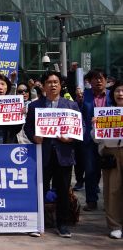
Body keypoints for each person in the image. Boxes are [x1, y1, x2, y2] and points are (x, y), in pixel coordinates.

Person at [24, 71, 81, 238]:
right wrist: (34, 137)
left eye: (56, 82)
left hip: (63, 154)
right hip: (43, 153)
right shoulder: (34, 106)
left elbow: (81, 127)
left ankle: (62, 224)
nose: (53, 85)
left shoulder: (71, 106)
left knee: (63, 190)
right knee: (40, 189)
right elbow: (28, 127)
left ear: (61, 84)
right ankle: (37, 223)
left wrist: (70, 138)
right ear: (43, 85)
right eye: (49, 82)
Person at [92, 80, 123, 239]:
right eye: (118, 91)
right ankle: (115, 225)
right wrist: (95, 127)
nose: (121, 94)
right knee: (112, 190)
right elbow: (96, 139)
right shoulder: (106, 113)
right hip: (111, 153)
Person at [81, 69, 110, 211]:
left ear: (106, 80)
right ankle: (91, 201)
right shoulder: (83, 96)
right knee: (91, 171)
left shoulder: (113, 95)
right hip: (90, 140)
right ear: (89, 81)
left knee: (112, 171)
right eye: (95, 78)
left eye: (101, 78)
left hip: (110, 139)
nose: (98, 81)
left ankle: (111, 202)